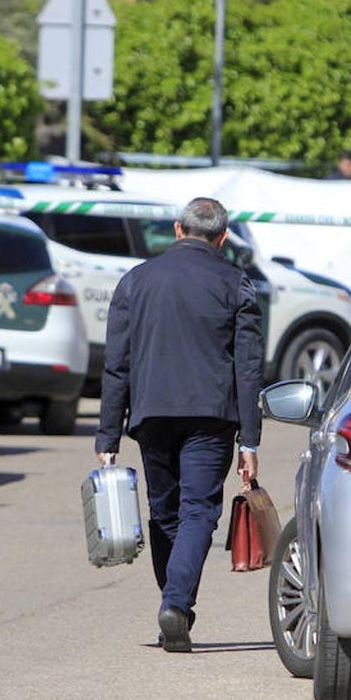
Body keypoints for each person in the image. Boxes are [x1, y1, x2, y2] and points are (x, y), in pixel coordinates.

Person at [95, 197, 265, 653]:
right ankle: (175, 605)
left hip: (150, 415)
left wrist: (107, 434)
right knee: (198, 513)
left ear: (177, 229)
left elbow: (117, 365)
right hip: (211, 418)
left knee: (165, 513)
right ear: (223, 238)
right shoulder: (236, 283)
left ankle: (174, 608)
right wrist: (250, 440)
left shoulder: (135, 281)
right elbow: (248, 369)